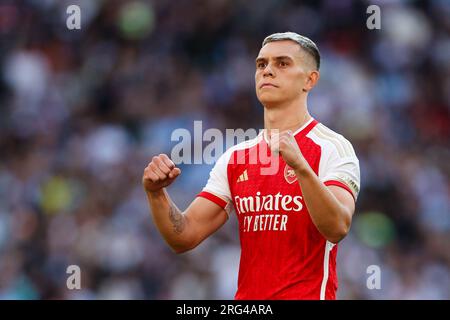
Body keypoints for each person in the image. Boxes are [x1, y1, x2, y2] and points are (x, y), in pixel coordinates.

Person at [142, 32, 360, 300]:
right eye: (261, 64)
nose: (268, 71)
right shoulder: (236, 157)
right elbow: (184, 236)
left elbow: (337, 227)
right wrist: (156, 194)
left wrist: (301, 167)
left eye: (282, 63)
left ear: (310, 80)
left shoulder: (333, 148)